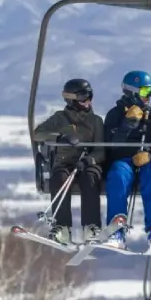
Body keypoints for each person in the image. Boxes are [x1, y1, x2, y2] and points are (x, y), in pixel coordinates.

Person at [102, 71, 151, 248]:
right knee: (118, 177)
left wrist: (150, 154)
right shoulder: (115, 115)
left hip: (148, 160)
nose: (148, 97)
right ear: (132, 92)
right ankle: (116, 229)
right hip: (123, 160)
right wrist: (127, 126)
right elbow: (111, 146)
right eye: (145, 92)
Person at [31, 78, 104, 245]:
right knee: (59, 177)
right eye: (83, 97)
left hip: (88, 163)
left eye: (89, 96)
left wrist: (89, 160)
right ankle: (62, 228)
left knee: (90, 178)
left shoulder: (96, 121)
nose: (87, 101)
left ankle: (91, 227)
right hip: (65, 162)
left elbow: (100, 150)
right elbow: (38, 134)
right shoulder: (60, 118)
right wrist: (59, 137)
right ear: (71, 99)